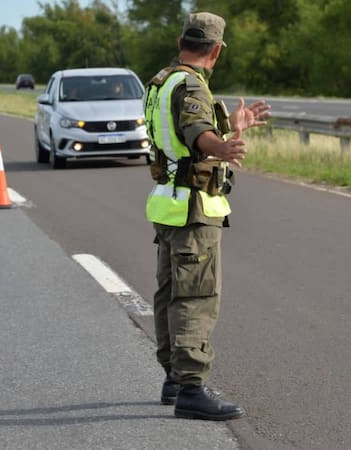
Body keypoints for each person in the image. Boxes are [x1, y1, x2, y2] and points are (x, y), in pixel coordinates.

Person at [143, 12, 270, 421]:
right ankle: (192, 388)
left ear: (181, 40)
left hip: (169, 204)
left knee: (170, 294)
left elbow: (181, 135)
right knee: (195, 297)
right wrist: (223, 146)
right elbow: (197, 131)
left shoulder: (163, 80)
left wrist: (233, 126)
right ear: (216, 50)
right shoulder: (193, 85)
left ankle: (174, 379)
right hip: (193, 209)